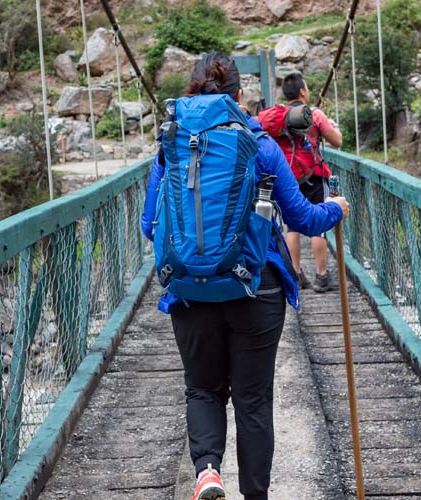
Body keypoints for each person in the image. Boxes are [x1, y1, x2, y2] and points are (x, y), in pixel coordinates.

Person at [141, 53, 350, 500]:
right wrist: (335, 208)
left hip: (190, 292)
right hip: (257, 289)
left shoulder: (170, 144)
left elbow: (148, 227)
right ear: (240, 97)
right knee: (253, 401)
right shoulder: (260, 142)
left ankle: (208, 472)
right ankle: (256, 495)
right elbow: (306, 220)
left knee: (201, 389)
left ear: (191, 91)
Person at [274, 73, 344, 293]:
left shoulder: (280, 117)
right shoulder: (315, 114)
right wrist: (333, 126)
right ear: (303, 92)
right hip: (314, 175)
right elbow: (338, 142)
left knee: (292, 225)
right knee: (319, 223)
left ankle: (296, 274)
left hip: (289, 178)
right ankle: (322, 276)